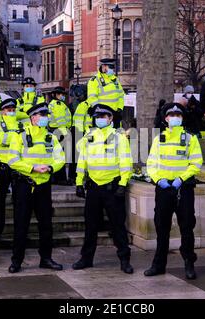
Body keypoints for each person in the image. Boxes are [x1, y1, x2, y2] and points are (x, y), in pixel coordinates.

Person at [144, 103, 203, 279]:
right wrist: (159, 180)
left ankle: (189, 263)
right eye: (172, 115)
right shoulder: (159, 139)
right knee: (162, 227)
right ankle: (158, 265)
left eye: (178, 114)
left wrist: (181, 179)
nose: (175, 117)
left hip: (182, 188)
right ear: (166, 119)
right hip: (163, 188)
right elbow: (151, 164)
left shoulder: (190, 138)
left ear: (182, 118)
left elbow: (196, 163)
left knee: (187, 227)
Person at [72, 105, 133, 274]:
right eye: (97, 115)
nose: (100, 118)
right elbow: (82, 160)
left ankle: (124, 259)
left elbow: (125, 161)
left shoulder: (118, 137)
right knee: (90, 225)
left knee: (118, 226)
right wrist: (78, 182)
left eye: (104, 115)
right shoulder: (89, 136)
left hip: (112, 188)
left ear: (110, 118)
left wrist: (122, 184)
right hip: (93, 187)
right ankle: (86, 258)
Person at [6, 102, 65, 273]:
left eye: (46, 115)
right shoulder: (20, 136)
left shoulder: (51, 137)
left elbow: (60, 158)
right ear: (33, 118)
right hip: (24, 185)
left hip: (43, 186)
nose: (46, 118)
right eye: (42, 115)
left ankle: (46, 259)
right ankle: (16, 261)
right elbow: (12, 160)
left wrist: (51, 168)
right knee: (21, 224)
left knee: (46, 225)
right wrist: (32, 168)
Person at [0, 98, 25, 242]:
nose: (11, 112)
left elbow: (24, 141)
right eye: (8, 110)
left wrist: (15, 138)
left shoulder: (20, 124)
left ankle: (20, 231)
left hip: (17, 166)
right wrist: (16, 137)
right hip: (3, 166)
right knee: (0, 201)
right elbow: (3, 139)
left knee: (20, 201)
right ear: (2, 111)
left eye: (13, 110)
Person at [87, 58, 125, 128]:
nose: (112, 69)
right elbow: (92, 98)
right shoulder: (95, 80)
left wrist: (119, 109)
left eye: (113, 67)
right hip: (102, 116)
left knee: (116, 137)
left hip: (115, 115)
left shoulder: (115, 80)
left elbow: (121, 96)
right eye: (110, 67)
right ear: (103, 66)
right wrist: (98, 111)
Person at [48, 86, 72, 185]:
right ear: (54, 95)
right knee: (58, 155)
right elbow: (51, 119)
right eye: (60, 94)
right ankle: (60, 179)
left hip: (63, 131)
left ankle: (57, 178)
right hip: (56, 131)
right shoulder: (53, 105)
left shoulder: (63, 105)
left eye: (62, 94)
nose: (62, 96)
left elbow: (68, 118)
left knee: (61, 155)